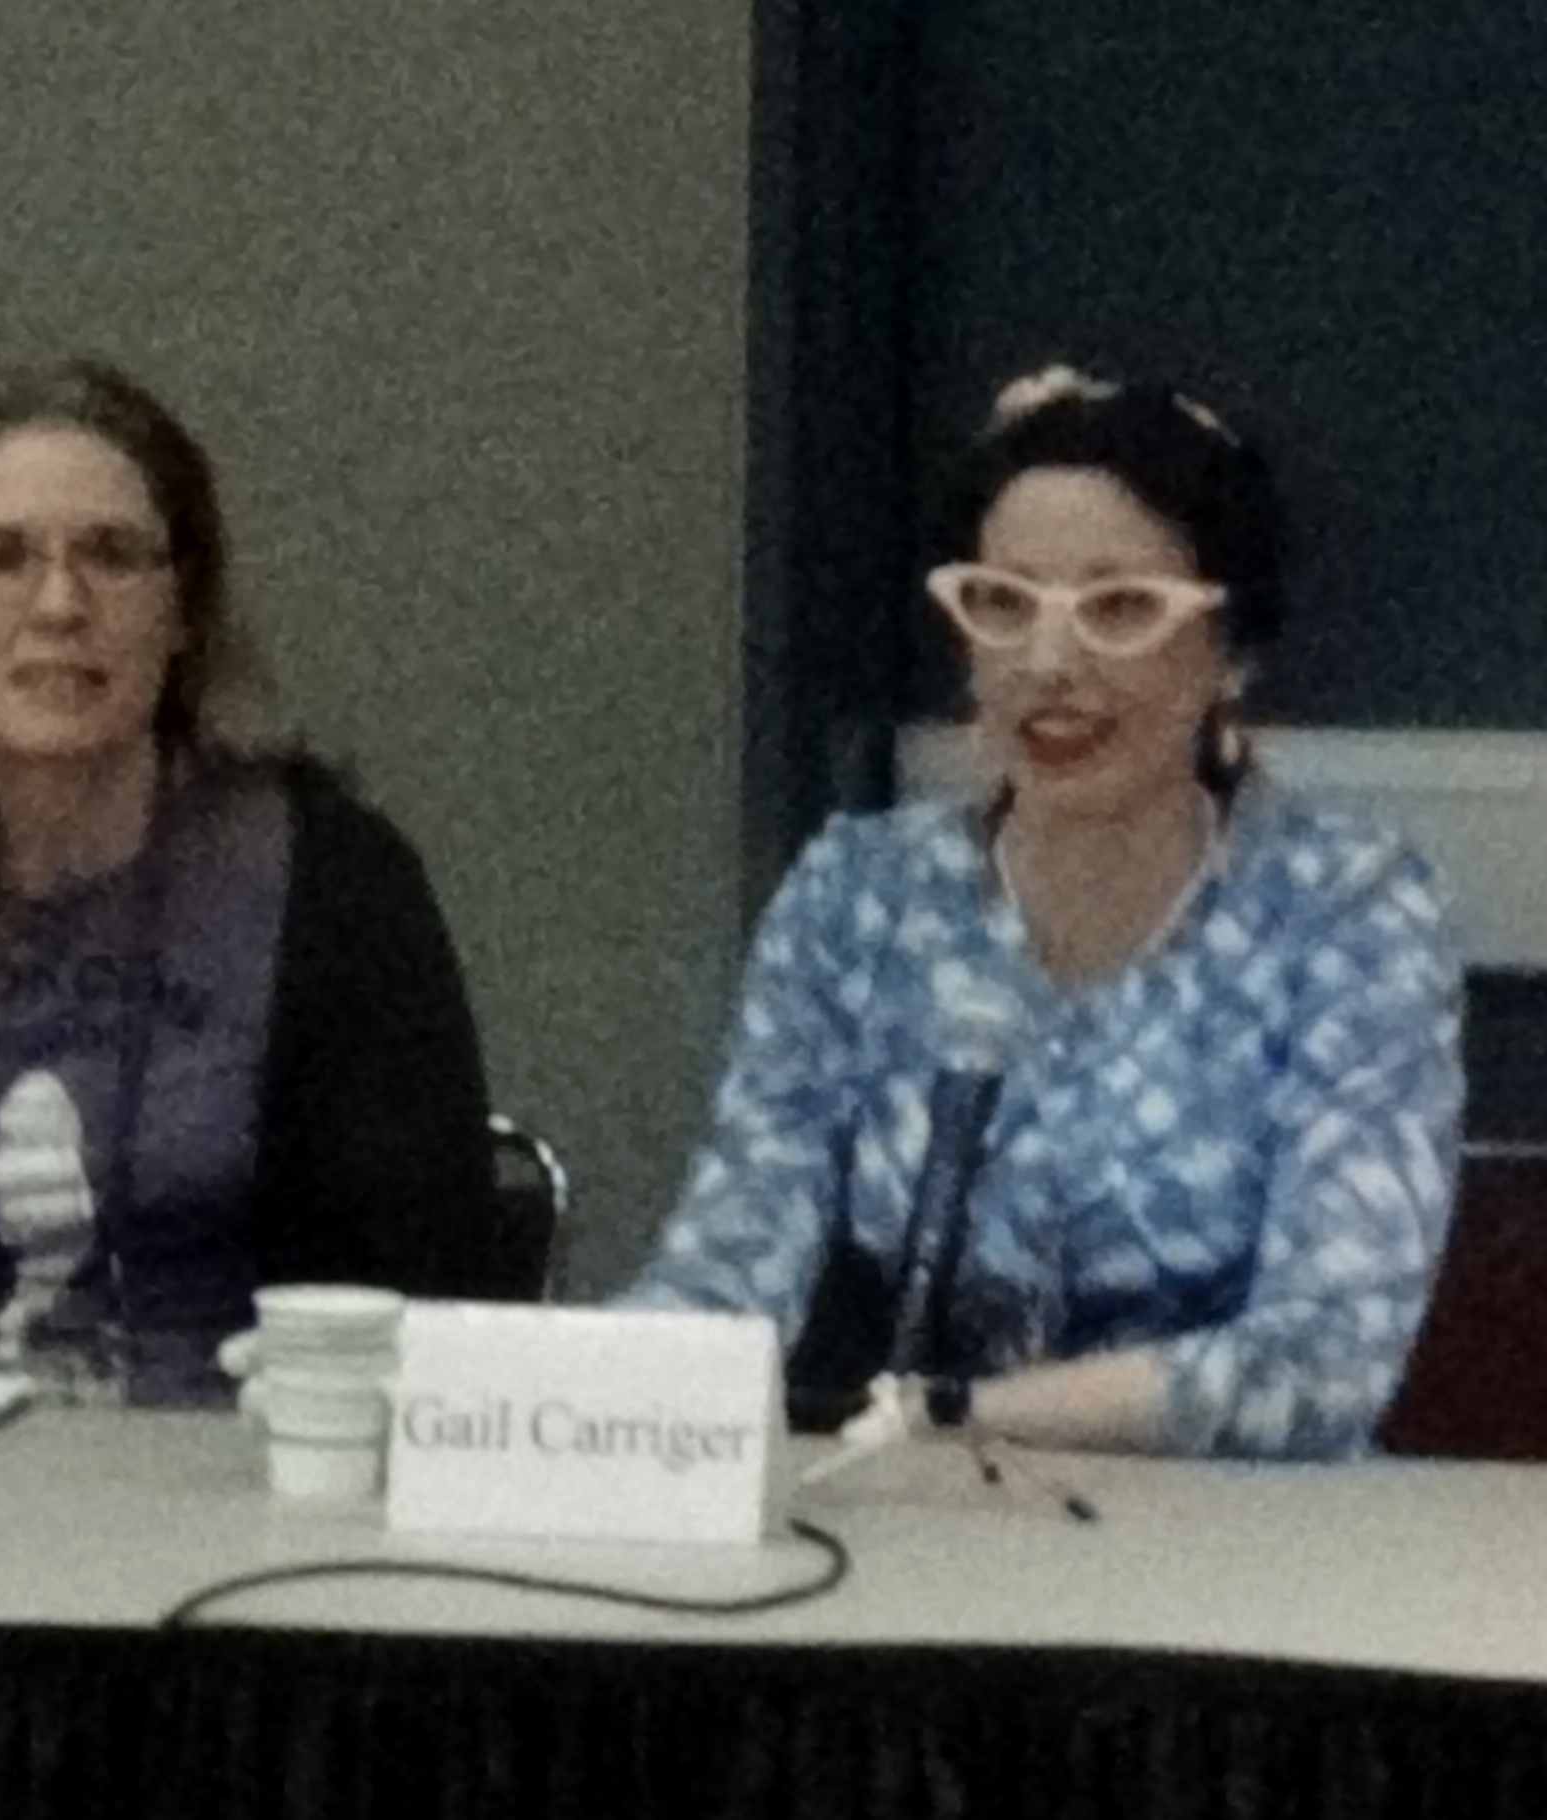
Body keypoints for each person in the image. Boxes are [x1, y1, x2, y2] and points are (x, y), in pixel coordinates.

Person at [621, 364, 1464, 1460]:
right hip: (904, 1517)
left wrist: (954, 1415)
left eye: (1120, 610)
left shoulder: (1343, 907)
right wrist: (552, 1399)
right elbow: (726, 1273)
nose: (1049, 662)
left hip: (1238, 1533)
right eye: (1003, 605)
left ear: (1231, 654)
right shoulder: (859, 895)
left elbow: (1324, 1362)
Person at [0, 358, 495, 1408]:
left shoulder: (337, 886)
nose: (60, 603)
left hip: (256, 1475)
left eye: (112, 554)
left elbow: (407, 1306)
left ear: (184, 610)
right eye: (1, 557)